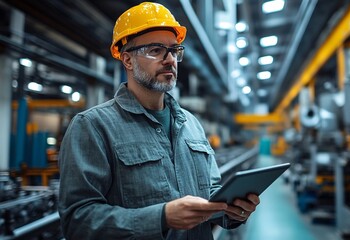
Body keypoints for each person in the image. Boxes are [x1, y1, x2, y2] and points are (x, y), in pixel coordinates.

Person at [58, 2, 260, 239]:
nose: (170, 59)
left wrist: (232, 211)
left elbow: (212, 192)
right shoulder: (93, 126)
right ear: (127, 60)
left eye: (174, 50)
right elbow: (77, 221)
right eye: (156, 50)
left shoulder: (191, 124)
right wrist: (161, 218)